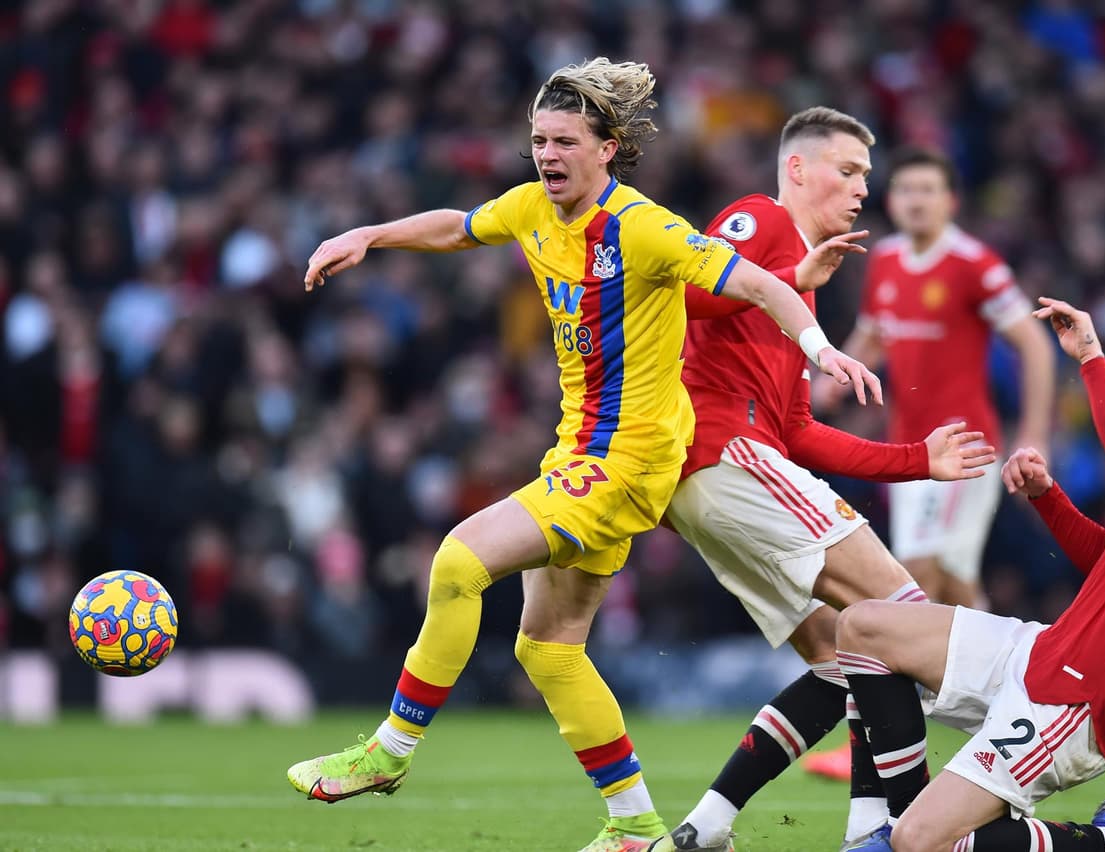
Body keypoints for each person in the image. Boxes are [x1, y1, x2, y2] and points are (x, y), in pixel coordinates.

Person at [283, 58, 875, 852]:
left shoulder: (646, 227)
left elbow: (760, 287)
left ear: (608, 148)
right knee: (550, 647)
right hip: (580, 451)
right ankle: (634, 825)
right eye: (538, 139)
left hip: (629, 463)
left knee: (459, 563)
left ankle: (389, 751)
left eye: (564, 141)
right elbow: (459, 226)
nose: (547, 154)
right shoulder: (531, 207)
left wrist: (815, 344)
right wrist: (369, 235)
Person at [643, 108, 996, 852]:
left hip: (723, 476)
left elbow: (798, 432)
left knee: (852, 658)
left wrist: (916, 460)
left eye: (866, 174)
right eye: (849, 170)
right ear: (798, 169)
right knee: (901, 617)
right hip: (724, 453)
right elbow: (686, 290)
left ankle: (711, 824)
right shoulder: (759, 219)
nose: (864, 186)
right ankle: (898, 824)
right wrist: (787, 278)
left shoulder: (801, 286)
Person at [835, 299, 1105, 852]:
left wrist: (1089, 354)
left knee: (922, 841)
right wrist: (1048, 498)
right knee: (864, 628)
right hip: (1047, 652)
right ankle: (875, 831)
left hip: (1081, 699)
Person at [802, 145, 1056, 787]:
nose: (914, 200)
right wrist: (836, 372)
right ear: (893, 201)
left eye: (927, 190)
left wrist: (1033, 434)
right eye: (905, 190)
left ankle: (876, 737)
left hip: (964, 448)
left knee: (912, 582)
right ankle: (1022, 703)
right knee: (951, 589)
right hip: (912, 455)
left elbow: (1033, 344)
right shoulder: (884, 259)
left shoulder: (974, 264)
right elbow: (875, 332)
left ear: (951, 201)